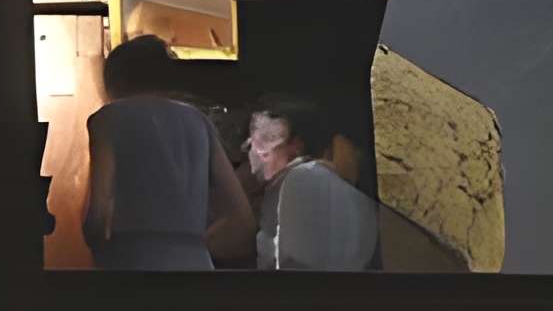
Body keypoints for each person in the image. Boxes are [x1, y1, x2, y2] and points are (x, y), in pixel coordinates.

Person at [83, 35, 255, 271]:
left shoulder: (107, 119)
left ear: (114, 79)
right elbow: (242, 218)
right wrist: (192, 246)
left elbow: (97, 214)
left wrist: (100, 250)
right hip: (196, 266)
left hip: (132, 262)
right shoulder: (198, 120)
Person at [244, 95, 379, 271]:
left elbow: (291, 264)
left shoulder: (305, 180)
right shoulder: (300, 184)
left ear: (295, 145)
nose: (254, 152)